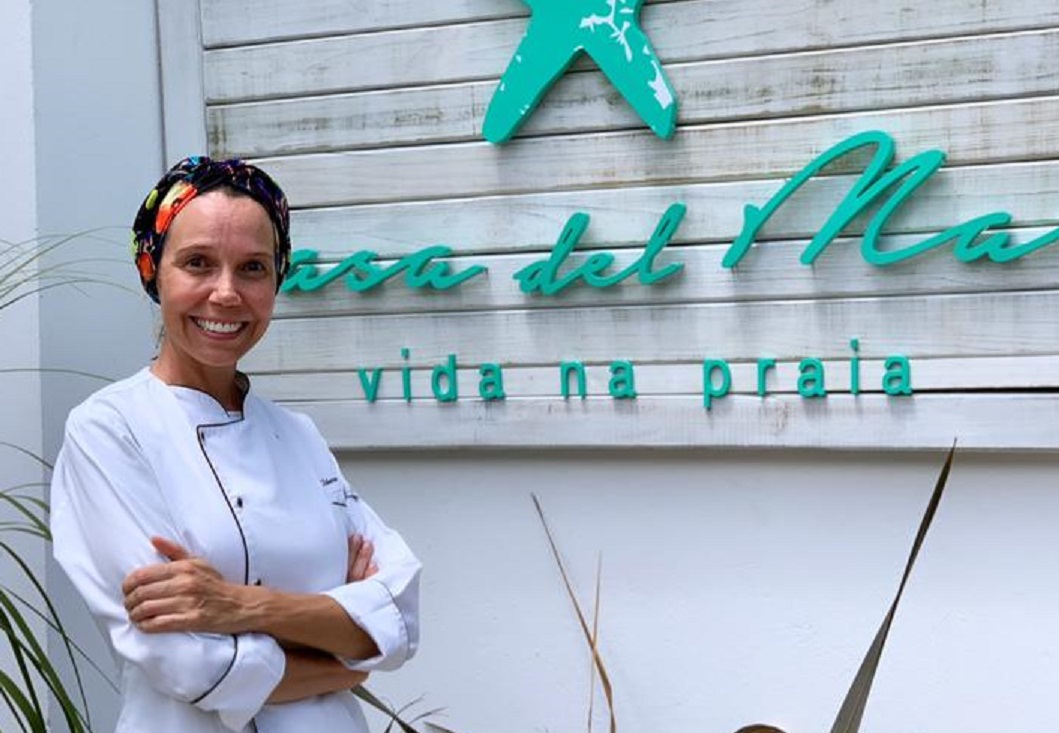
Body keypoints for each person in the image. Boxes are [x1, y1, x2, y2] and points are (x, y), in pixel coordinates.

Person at [50, 157, 421, 733]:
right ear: (153, 270)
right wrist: (340, 651)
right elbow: (188, 665)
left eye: (252, 268)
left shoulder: (298, 435)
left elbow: (399, 613)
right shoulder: (110, 430)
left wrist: (238, 606)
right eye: (198, 263)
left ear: (276, 279)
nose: (226, 294)